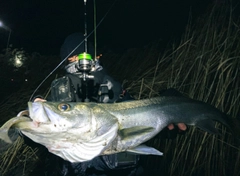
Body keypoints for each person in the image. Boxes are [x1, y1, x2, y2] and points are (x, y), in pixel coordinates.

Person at [34, 32, 187, 176]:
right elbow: (37, 132)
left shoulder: (114, 87)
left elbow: (139, 123)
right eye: (73, 57)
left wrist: (165, 114)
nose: (81, 60)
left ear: (94, 57)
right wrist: (32, 121)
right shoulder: (58, 92)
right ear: (66, 60)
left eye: (85, 55)